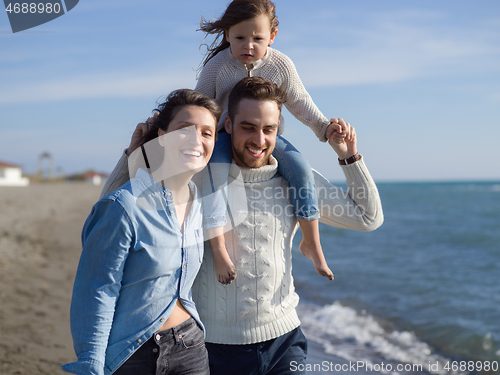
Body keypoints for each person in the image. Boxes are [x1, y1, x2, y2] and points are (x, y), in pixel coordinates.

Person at [191, 77, 384, 374]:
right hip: (215, 350)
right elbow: (119, 204)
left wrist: (349, 156)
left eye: (268, 129)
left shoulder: (295, 182)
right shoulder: (199, 178)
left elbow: (368, 218)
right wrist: (133, 153)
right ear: (227, 125)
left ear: (278, 129)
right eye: (248, 127)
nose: (258, 140)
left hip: (284, 343)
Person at [62, 89, 222, 375]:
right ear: (162, 136)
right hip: (132, 354)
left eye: (207, 132)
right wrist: (91, 365)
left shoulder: (200, 204)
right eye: (184, 130)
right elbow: (98, 291)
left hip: (191, 349)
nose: (197, 140)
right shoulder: (124, 206)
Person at [195, 0, 339, 284]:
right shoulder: (218, 67)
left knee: (299, 166)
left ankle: (311, 243)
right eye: (239, 38)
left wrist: (325, 127)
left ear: (272, 36)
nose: (248, 45)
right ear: (227, 35)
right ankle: (220, 248)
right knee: (216, 173)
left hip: (267, 138)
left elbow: (300, 101)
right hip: (226, 136)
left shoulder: (280, 65)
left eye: (257, 38)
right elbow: (199, 104)